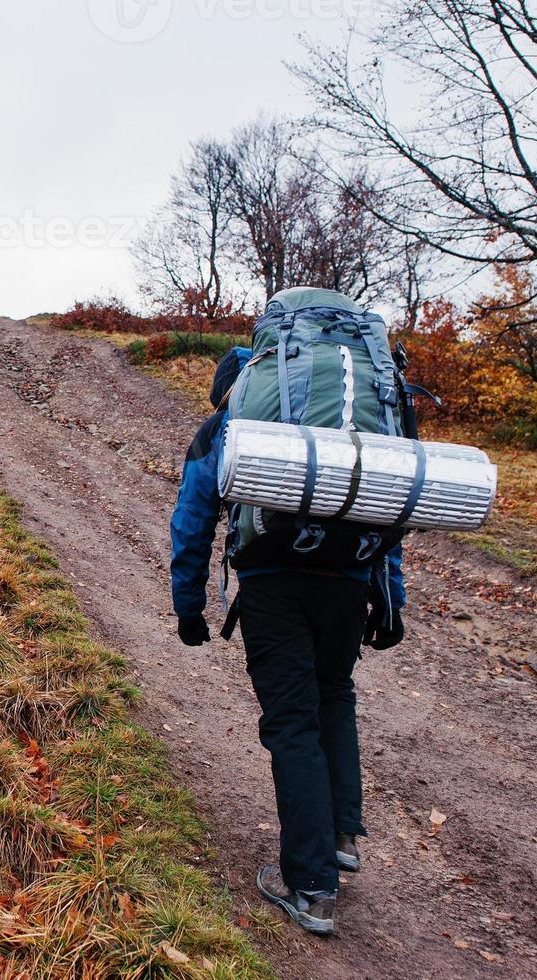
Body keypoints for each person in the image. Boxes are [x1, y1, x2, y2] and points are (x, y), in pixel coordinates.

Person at [169, 348, 406, 937]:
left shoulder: (229, 425)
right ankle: (340, 834)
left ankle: (311, 884)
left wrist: (188, 606)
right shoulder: (355, 423)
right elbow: (387, 508)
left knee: (293, 721)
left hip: (274, 585)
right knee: (334, 696)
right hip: (349, 583)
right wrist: (391, 597)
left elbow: (194, 517)